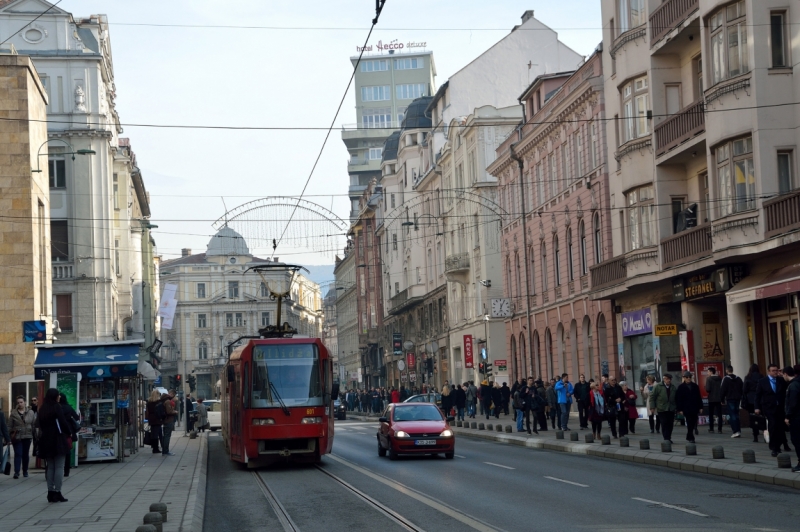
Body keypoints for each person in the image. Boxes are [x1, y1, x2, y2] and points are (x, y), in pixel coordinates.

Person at [36, 388, 75, 503]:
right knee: (59, 467)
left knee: (50, 467)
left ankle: (50, 492)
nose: (59, 397)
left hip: (46, 440)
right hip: (58, 439)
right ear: (55, 396)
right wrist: (69, 433)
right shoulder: (57, 407)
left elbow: (39, 424)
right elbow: (63, 422)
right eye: (58, 395)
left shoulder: (43, 408)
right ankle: (58, 492)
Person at [755, 363, 791, 457]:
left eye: (777, 370)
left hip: (780, 408)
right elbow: (758, 395)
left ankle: (780, 445)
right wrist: (757, 407)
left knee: (780, 427)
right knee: (773, 425)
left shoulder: (781, 380)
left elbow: (786, 391)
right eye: (773, 371)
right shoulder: (762, 381)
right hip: (769, 408)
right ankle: (774, 448)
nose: (775, 372)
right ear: (768, 371)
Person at [9, 395, 35, 478]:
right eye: (18, 402)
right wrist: (9, 436)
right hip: (17, 436)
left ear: (25, 402)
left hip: (27, 435)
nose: (20, 404)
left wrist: (35, 435)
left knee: (25, 454)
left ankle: (25, 471)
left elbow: (33, 424)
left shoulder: (30, 412)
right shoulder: (13, 413)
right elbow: (10, 425)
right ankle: (16, 472)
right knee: (18, 453)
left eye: (21, 402)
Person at [676, 372, 703, 443]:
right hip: (686, 408)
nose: (688, 378)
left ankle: (689, 435)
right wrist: (680, 409)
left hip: (695, 407)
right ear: (684, 378)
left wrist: (701, 407)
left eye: (689, 377)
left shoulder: (695, 386)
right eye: (687, 377)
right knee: (689, 421)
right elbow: (679, 399)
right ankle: (691, 436)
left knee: (694, 421)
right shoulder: (681, 387)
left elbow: (699, 397)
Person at [58, 393, 80, 477]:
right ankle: (66, 470)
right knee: (68, 451)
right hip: (68, 432)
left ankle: (59, 468)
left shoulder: (56, 408)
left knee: (59, 451)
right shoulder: (68, 407)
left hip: (59, 431)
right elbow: (77, 417)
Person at [783, 364, 800, 472]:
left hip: (796, 417)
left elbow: (793, 403)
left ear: (785, 374)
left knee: (796, 440)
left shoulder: (793, 386)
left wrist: (788, 416)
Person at [651, 374, 677, 443]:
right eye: (667, 379)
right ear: (664, 379)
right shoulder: (658, 386)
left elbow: (676, 398)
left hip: (671, 408)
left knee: (670, 424)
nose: (669, 380)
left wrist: (677, 407)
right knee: (664, 423)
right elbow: (652, 397)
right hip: (661, 408)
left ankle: (668, 437)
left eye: (670, 379)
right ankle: (666, 438)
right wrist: (652, 407)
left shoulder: (673, 387)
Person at [720, 365, 744, 438]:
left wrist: (722, 399)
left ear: (727, 370)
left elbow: (722, 390)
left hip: (730, 398)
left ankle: (735, 431)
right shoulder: (738, 378)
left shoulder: (726, 379)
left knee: (732, 415)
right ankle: (738, 430)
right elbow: (742, 388)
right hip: (737, 398)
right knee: (736, 414)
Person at [743, 363, 764, 442]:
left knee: (753, 417)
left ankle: (755, 435)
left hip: (751, 399)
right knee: (762, 416)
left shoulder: (748, 377)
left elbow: (744, 389)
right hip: (761, 399)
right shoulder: (762, 376)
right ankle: (764, 431)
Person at [705, 366, 723, 434]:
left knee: (711, 414)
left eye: (708, 372)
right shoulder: (720, 378)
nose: (707, 373)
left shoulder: (709, 379)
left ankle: (711, 428)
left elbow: (708, 389)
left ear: (711, 372)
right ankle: (720, 429)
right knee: (719, 414)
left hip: (711, 399)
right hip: (719, 398)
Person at [162, 392, 177, 456]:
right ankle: (165, 451)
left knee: (165, 436)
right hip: (169, 420)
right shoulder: (167, 401)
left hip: (165, 420)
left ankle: (164, 451)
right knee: (167, 436)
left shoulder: (163, 400)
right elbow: (169, 411)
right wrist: (175, 411)